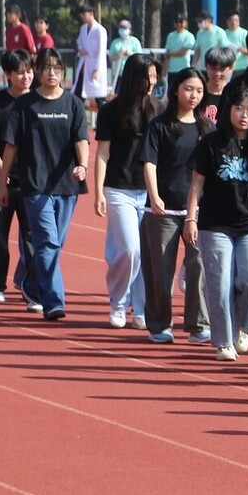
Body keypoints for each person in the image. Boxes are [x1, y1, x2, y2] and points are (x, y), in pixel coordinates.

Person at [0, 48, 91, 321]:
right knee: (48, 243)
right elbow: (11, 147)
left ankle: (28, 280)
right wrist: (3, 184)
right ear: (38, 71)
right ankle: (53, 302)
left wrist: (83, 165)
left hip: (67, 185)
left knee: (54, 244)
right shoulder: (24, 106)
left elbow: (81, 140)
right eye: (47, 68)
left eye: (57, 68)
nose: (52, 73)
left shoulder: (73, 104)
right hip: (35, 185)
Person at [186, 86, 248, 361]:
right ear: (228, 110)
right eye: (239, 108)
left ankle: (242, 326)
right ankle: (223, 341)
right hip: (215, 224)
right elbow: (196, 185)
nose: (244, 115)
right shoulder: (210, 143)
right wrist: (191, 218)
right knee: (220, 281)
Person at [139, 68, 211, 343]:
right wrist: (154, 196)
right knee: (160, 269)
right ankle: (159, 323)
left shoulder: (207, 128)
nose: (193, 95)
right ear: (176, 90)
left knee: (199, 265)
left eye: (199, 91)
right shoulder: (160, 126)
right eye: (188, 89)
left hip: (197, 211)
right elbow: (149, 163)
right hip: (163, 209)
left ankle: (198, 323)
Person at [93, 55, 160, 328]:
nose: (152, 83)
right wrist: (98, 192)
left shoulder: (158, 110)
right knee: (129, 250)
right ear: (134, 78)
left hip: (149, 191)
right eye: (148, 77)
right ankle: (119, 302)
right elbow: (102, 154)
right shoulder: (110, 111)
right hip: (119, 188)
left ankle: (140, 309)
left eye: (156, 77)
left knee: (147, 253)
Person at [0, 49, 36, 304]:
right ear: (8, 74)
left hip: (32, 182)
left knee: (33, 237)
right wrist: (2, 169)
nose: (26, 77)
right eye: (20, 72)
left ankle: (33, 289)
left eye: (29, 71)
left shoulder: (38, 102)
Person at [75, 7, 108, 111]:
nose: (82, 16)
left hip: (95, 65)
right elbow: (79, 43)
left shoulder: (100, 30)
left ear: (91, 14)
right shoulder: (83, 28)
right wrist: (81, 50)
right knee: (78, 94)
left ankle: (104, 120)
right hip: (84, 64)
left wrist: (98, 69)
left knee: (99, 96)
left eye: (84, 13)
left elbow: (101, 51)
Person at [107, 20, 143, 88]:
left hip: (132, 73)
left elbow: (140, 57)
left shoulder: (135, 41)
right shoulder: (115, 42)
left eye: (125, 28)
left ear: (129, 30)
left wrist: (128, 52)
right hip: (118, 74)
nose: (122, 30)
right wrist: (118, 56)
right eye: (121, 28)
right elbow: (110, 58)